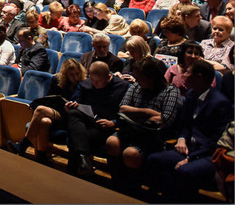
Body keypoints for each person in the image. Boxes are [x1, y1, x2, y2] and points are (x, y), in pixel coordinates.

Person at [146, 60, 231, 203]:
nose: (183, 75)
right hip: (189, 148)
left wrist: (191, 158)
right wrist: (182, 138)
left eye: (187, 72)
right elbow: (185, 124)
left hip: (208, 155)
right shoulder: (192, 94)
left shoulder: (221, 103)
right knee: (154, 159)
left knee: (184, 171)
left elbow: (217, 142)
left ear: (198, 77)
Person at [105, 57, 183, 191]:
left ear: (152, 77)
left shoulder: (170, 91)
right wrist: (149, 112)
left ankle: (131, 190)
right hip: (131, 130)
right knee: (112, 142)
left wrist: (135, 113)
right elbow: (122, 108)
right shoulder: (136, 86)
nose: (137, 79)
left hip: (152, 136)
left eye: (140, 77)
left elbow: (165, 120)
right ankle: (116, 184)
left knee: (131, 154)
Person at [8, 58, 87, 162]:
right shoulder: (57, 80)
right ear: (66, 74)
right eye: (72, 75)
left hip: (71, 117)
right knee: (44, 122)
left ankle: (23, 145)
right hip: (57, 113)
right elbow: (48, 99)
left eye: (77, 73)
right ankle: (42, 157)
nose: (75, 77)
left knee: (40, 110)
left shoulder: (84, 83)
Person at [64, 62, 129, 177]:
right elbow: (76, 101)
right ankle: (83, 159)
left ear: (108, 76)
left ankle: (75, 172)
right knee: (73, 113)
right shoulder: (85, 84)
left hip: (105, 126)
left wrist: (113, 123)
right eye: (92, 80)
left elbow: (126, 114)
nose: (94, 84)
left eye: (98, 82)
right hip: (86, 121)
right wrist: (71, 105)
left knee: (74, 139)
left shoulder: (123, 87)